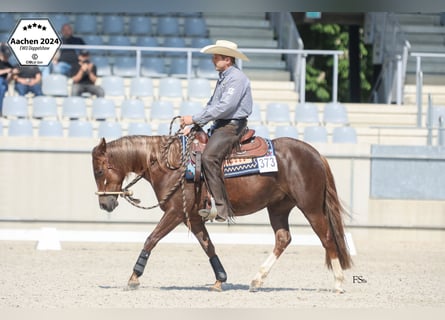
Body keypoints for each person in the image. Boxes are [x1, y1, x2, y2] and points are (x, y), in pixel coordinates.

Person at [180, 40, 252, 222]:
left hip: (232, 126)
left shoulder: (236, 78)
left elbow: (225, 107)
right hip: (222, 124)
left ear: (227, 60)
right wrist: (194, 125)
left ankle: (222, 208)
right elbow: (212, 105)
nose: (213, 60)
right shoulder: (225, 77)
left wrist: (195, 119)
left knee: (208, 157)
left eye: (216, 57)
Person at [0, 43, 13, 115]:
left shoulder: (8, 64)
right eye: (5, 55)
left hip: (4, 84)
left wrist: (10, 74)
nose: (7, 57)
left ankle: (2, 110)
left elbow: (9, 80)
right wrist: (7, 71)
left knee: (2, 87)